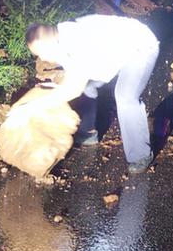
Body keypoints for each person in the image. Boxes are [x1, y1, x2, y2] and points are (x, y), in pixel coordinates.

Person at [16, 15, 160, 174]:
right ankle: (88, 132)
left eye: (41, 52)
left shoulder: (76, 42)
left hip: (139, 47)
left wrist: (35, 106)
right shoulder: (60, 40)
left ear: (49, 42)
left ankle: (140, 155)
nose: (41, 58)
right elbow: (72, 80)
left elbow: (73, 88)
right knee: (88, 88)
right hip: (114, 53)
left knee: (125, 97)